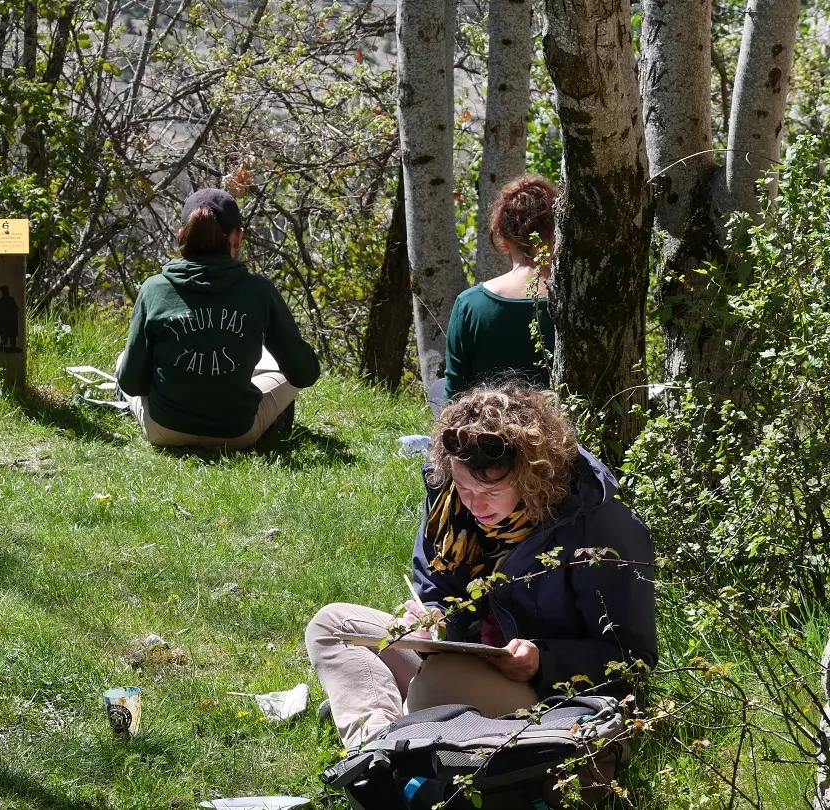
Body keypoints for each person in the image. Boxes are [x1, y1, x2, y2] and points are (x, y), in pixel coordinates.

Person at [304, 383, 656, 748]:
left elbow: (634, 658)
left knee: (435, 686)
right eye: (464, 487)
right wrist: (433, 621)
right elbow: (438, 591)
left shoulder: (601, 529)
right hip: (462, 662)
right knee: (332, 625)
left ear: (531, 479)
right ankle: (378, 746)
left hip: (550, 693)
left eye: (492, 492)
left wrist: (543, 661)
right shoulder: (450, 504)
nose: (475, 505)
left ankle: (392, 729)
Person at [116, 188, 320, 448]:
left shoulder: (154, 288)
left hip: (163, 430)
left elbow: (130, 381)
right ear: (237, 239)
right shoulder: (259, 290)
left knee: (123, 359)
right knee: (281, 374)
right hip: (235, 434)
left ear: (181, 235)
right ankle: (271, 428)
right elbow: (303, 374)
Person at [443, 176, 559, 401]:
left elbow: (453, 396)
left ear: (503, 239)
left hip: (488, 421)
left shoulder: (470, 305)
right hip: (560, 423)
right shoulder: (576, 302)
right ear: (557, 234)